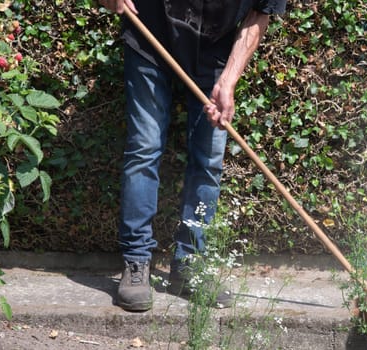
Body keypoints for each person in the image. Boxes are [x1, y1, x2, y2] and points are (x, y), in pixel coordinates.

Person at [98, 0, 287, 311]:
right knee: (144, 148)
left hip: (215, 50)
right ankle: (136, 262)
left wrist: (228, 81)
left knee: (209, 161)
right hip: (150, 36)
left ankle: (190, 265)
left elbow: (258, 14)